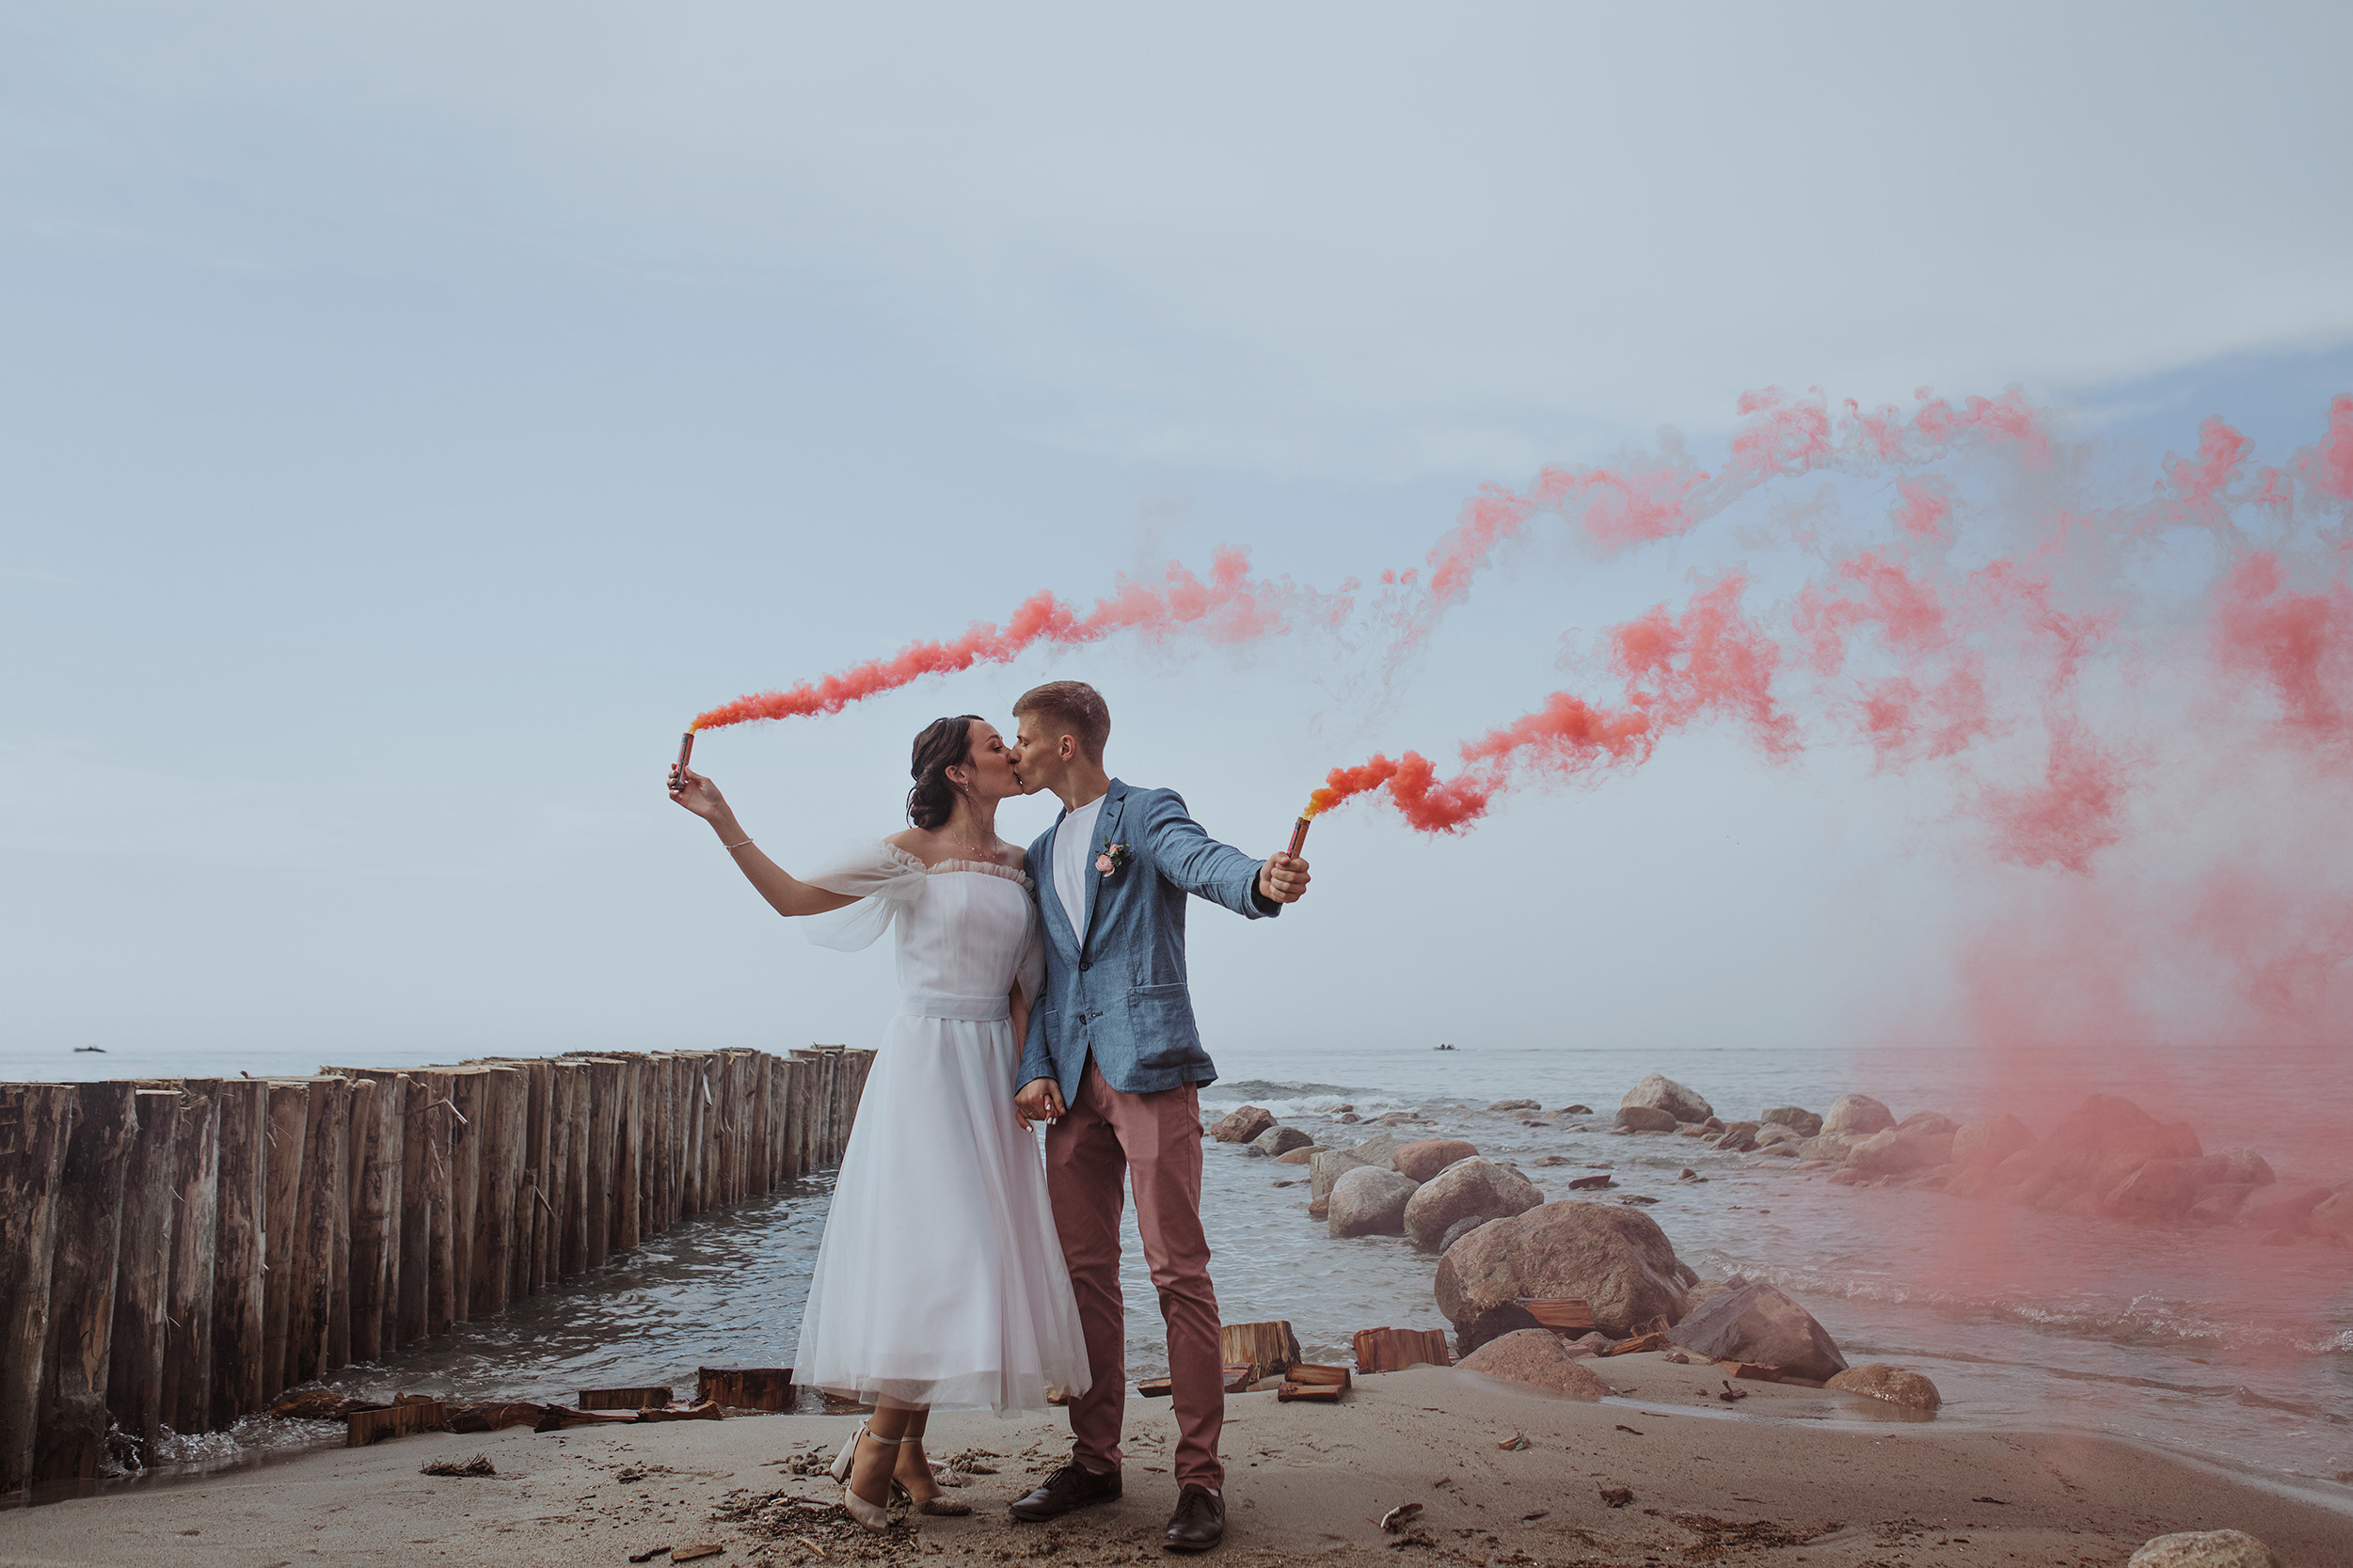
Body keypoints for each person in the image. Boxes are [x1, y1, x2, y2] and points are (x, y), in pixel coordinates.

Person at [669, 716, 1090, 1532]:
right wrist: (723, 819)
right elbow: (793, 899)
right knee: (942, 1254)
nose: (1010, 750)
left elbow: (1022, 989)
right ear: (959, 772)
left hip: (988, 1073)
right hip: (924, 1066)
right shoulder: (910, 850)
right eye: (993, 742)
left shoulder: (1020, 863)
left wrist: (1029, 1073)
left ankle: (906, 1452)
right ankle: (873, 1450)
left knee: (966, 1251)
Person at [1005, 681, 1311, 1554]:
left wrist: (1258, 879)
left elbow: (1199, 858)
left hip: (1151, 1069)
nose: (1016, 753)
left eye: (1024, 738)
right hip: (1068, 1089)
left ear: (1067, 743)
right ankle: (1094, 1462)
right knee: (1082, 1276)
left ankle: (1199, 1481)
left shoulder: (1144, 812)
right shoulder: (1033, 849)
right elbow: (1039, 976)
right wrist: (1032, 1069)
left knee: (1177, 1271)